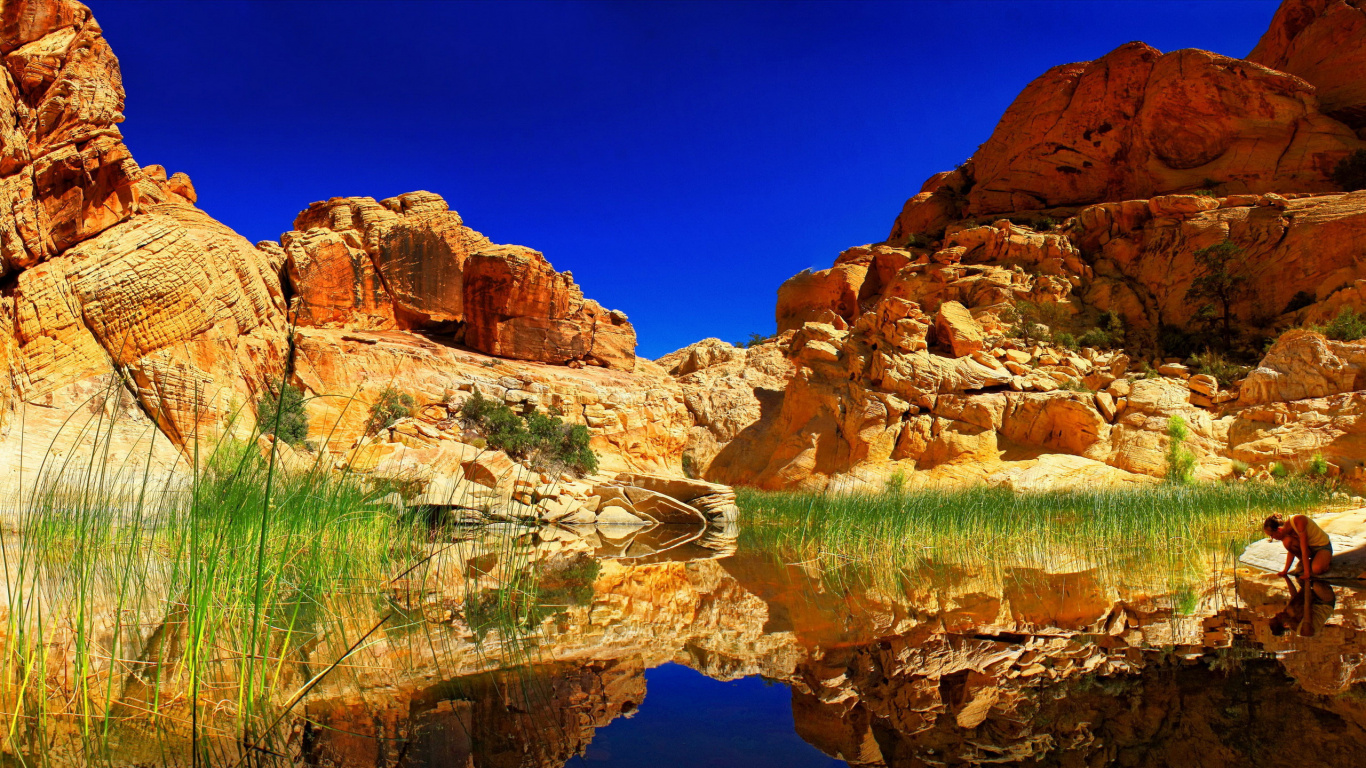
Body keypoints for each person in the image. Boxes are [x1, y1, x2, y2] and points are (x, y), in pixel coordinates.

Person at [1263, 513, 1333, 581]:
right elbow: (1291, 550)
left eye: (1272, 535)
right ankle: (1307, 562)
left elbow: (1304, 549)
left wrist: (1306, 573)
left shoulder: (1298, 520)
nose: (1272, 538)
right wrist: (1285, 571)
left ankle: (1321, 561)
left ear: (1279, 530)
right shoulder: (1285, 531)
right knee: (1287, 541)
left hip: (1322, 546)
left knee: (1317, 569)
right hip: (1310, 549)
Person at [1270, 575, 1336, 637]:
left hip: (1312, 597)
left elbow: (1294, 596)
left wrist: (1286, 577)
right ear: (1285, 625)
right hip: (1324, 602)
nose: (1277, 614)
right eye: (1277, 618)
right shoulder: (1305, 631)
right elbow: (1307, 604)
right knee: (1317, 585)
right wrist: (1307, 582)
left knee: (1299, 576)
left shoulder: (1287, 614)